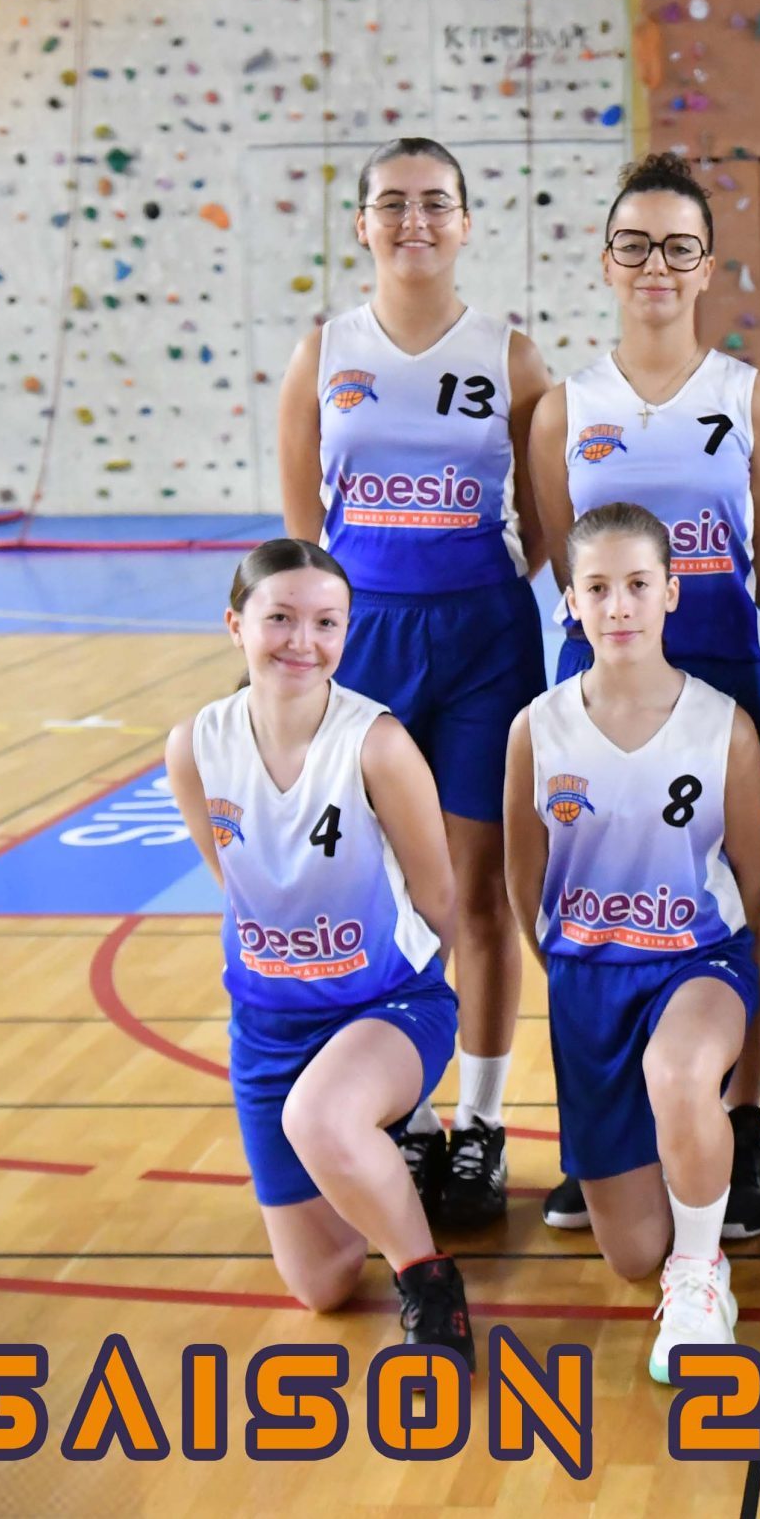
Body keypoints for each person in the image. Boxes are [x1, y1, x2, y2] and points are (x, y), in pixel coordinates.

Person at [275, 137, 552, 1229]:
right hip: (368, 638)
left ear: (467, 222)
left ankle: (480, 1123)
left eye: (435, 202)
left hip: (483, 636)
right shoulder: (323, 353)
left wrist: (471, 577)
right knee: (374, 890)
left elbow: (543, 523)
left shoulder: (511, 357)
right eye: (391, 203)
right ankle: (411, 1114)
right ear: (361, 225)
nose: (414, 221)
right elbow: (304, 530)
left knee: (476, 894)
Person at [527, 151, 760, 1239]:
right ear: (605, 260)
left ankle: (738, 1124)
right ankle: (601, 1137)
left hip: (719, 666)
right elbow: (563, 551)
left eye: (678, 246)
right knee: (591, 902)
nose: (656, 264)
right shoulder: (564, 408)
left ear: (707, 266)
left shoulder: (750, 398)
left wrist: (693, 631)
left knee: (737, 903)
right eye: (634, 243)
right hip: (593, 685)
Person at [163, 539, 473, 1363]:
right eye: (281, 619)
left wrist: (402, 1001)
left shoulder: (376, 744)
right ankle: (373, 1148)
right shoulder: (194, 745)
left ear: (346, 632)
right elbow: (233, 881)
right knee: (323, 1284)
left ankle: (429, 1282)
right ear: (236, 624)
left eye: (326, 623)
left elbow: (438, 897)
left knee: (321, 1115)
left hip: (388, 1007)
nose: (303, 641)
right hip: (267, 1026)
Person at [504, 503, 760, 1383]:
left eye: (636, 585)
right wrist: (577, 958)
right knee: (629, 1254)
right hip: (589, 983)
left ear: (671, 592)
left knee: (680, 1070)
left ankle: (700, 1275)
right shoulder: (537, 729)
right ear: (570, 602)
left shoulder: (724, 725)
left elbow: (751, 879)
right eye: (597, 588)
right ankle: (682, 1168)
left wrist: (683, 941)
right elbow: (523, 880)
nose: (618, 605)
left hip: (697, 964)